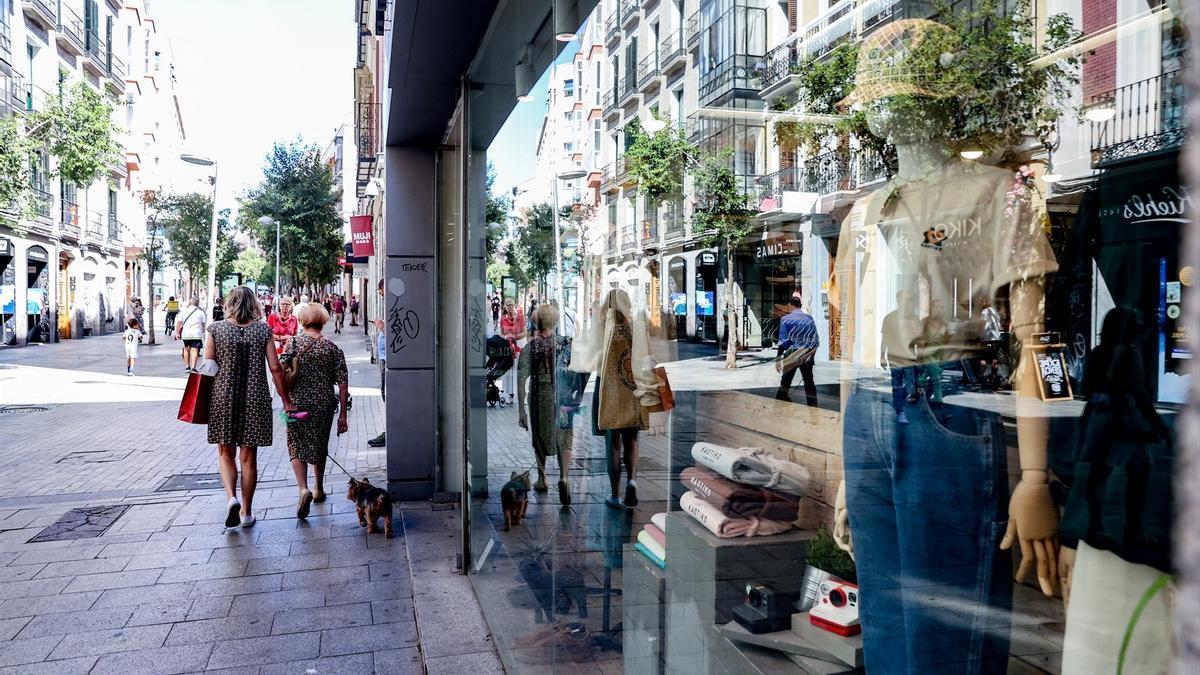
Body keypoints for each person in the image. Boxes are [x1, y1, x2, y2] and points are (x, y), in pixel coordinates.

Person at [204, 286, 294, 528]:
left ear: (229, 303)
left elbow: (209, 367)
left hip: (224, 398)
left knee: (225, 453)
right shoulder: (263, 330)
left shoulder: (215, 330)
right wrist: (286, 401)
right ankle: (246, 512)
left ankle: (231, 498)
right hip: (255, 398)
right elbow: (276, 368)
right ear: (253, 304)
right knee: (249, 458)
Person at [280, 302, 349, 517]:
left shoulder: (292, 344)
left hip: (296, 404)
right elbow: (343, 383)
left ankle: (303, 488)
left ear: (301, 321)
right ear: (323, 322)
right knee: (319, 443)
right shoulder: (332, 348)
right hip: (323, 404)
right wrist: (343, 415)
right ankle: (318, 488)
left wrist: (284, 398)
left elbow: (279, 370)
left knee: (295, 444)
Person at [517, 305, 577, 503]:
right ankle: (564, 476)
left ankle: (542, 479)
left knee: (540, 437)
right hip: (563, 395)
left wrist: (521, 411)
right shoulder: (566, 343)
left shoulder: (530, 348)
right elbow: (577, 371)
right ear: (557, 321)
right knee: (565, 435)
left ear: (536, 322)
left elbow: (520, 379)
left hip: (540, 395)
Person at [774, 292, 819, 406]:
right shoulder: (809, 319)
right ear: (799, 305)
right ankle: (813, 405)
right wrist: (811, 355)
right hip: (806, 353)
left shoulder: (786, 319)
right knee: (809, 382)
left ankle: (780, 404)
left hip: (792, 354)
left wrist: (778, 359)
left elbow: (783, 342)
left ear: (791, 305)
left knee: (785, 382)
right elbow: (816, 340)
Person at [367, 280, 387, 448]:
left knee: (388, 396)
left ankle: (391, 431)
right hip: (385, 359)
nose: (382, 297)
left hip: (390, 361)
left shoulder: (396, 305)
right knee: (385, 395)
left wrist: (382, 327)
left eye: (382, 293)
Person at [499, 297, 527, 404]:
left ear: (515, 305)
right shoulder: (502, 319)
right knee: (508, 371)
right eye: (508, 305)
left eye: (511, 304)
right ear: (505, 307)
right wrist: (505, 337)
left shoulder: (520, 317)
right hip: (508, 347)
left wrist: (514, 336)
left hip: (519, 345)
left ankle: (523, 396)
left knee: (521, 371)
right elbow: (501, 333)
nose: (510, 307)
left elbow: (525, 333)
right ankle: (509, 395)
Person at [174, 297, 207, 373]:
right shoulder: (201, 312)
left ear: (190, 303)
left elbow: (179, 323)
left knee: (186, 349)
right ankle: (193, 368)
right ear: (197, 303)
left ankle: (187, 367)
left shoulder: (184, 311)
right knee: (195, 350)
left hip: (186, 334)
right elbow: (203, 324)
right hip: (196, 334)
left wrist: (177, 333)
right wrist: (203, 332)